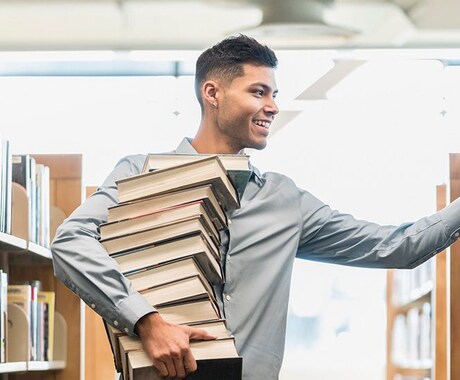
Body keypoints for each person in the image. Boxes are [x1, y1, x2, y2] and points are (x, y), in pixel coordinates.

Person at [51, 35, 460, 380]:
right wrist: (146, 321)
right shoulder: (140, 173)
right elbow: (70, 243)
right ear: (212, 93)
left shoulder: (285, 202)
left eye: (274, 94)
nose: (274, 107)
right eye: (258, 92)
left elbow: (397, 247)